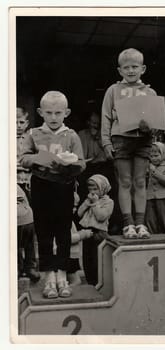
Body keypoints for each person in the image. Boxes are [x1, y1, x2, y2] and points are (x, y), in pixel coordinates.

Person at [20, 91, 86, 298]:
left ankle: (62, 275)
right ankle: (49, 276)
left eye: (58, 113)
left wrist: (71, 164)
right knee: (45, 232)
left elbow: (82, 163)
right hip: (41, 186)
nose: (54, 117)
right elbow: (23, 158)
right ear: (40, 112)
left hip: (63, 186)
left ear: (66, 113)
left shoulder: (71, 135)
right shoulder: (33, 134)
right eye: (49, 113)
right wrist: (42, 159)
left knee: (63, 232)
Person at [101, 48, 157, 239]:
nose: (131, 70)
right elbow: (106, 117)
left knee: (140, 181)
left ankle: (141, 224)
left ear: (143, 68)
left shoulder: (150, 92)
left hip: (143, 140)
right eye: (127, 67)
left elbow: (156, 122)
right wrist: (106, 143)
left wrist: (150, 127)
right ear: (120, 70)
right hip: (121, 139)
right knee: (124, 181)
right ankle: (128, 224)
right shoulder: (113, 90)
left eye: (135, 67)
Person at [78, 112, 121, 234]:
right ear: (88, 122)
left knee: (110, 194)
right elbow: (83, 155)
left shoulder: (105, 135)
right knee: (86, 193)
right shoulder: (81, 134)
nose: (95, 125)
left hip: (104, 167)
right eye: (93, 122)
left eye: (98, 123)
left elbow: (109, 153)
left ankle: (112, 224)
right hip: (88, 167)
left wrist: (98, 139)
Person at [77, 174, 114, 285]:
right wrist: (86, 203)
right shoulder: (90, 200)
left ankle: (98, 283)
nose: (92, 192)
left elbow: (101, 217)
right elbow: (79, 213)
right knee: (87, 260)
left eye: (95, 189)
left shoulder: (108, 202)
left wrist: (95, 204)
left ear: (103, 188)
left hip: (99, 233)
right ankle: (90, 282)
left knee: (97, 260)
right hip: (87, 233)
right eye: (90, 189)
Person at [145, 142, 165, 235]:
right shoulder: (148, 166)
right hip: (150, 198)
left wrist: (154, 171)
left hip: (164, 198)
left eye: (156, 155)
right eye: (151, 156)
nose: (153, 158)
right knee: (150, 222)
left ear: (163, 154)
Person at [17, 184, 40, 282]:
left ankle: (19, 268)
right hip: (27, 217)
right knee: (28, 245)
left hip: (20, 219)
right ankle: (30, 268)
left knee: (14, 246)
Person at [17, 107, 32, 199]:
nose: (18, 125)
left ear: (27, 123)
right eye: (15, 122)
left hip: (28, 180)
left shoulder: (31, 139)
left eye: (21, 122)